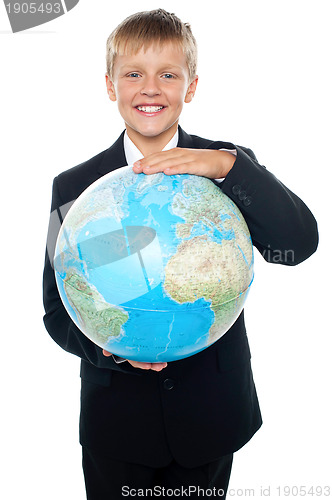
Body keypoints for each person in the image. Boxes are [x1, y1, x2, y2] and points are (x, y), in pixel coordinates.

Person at [42, 9, 318, 499]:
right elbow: (57, 310)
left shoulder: (224, 166)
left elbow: (298, 245)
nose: (151, 89)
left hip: (208, 419)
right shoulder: (74, 187)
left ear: (190, 87)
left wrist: (226, 166)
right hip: (118, 427)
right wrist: (107, 347)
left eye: (168, 75)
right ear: (110, 86)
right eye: (134, 74)